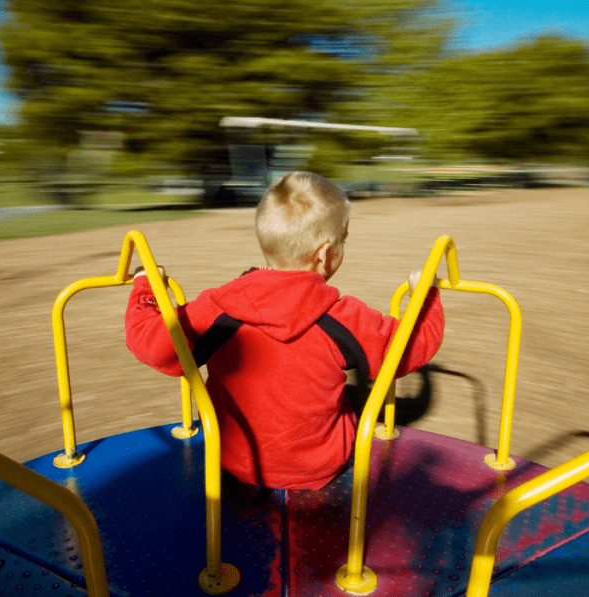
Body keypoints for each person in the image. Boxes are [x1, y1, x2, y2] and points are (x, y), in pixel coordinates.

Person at [125, 171, 444, 490]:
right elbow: (410, 348)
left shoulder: (219, 307)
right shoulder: (341, 316)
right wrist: (425, 297)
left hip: (235, 462)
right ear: (324, 254)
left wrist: (146, 288)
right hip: (320, 468)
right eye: (343, 239)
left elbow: (152, 344)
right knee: (355, 406)